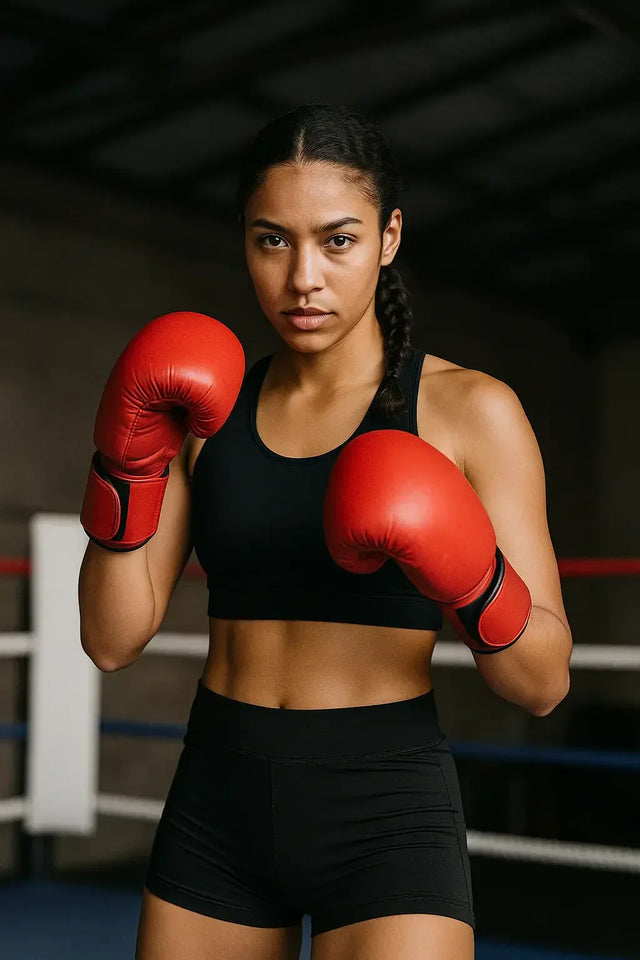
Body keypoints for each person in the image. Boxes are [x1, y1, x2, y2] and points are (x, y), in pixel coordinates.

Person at [78, 102, 572, 960]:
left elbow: (543, 684)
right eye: (273, 240)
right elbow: (111, 639)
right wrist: (127, 467)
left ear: (388, 238)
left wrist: (469, 573)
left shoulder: (468, 410)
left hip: (384, 813)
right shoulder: (206, 408)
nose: (302, 276)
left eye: (337, 240)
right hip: (217, 802)